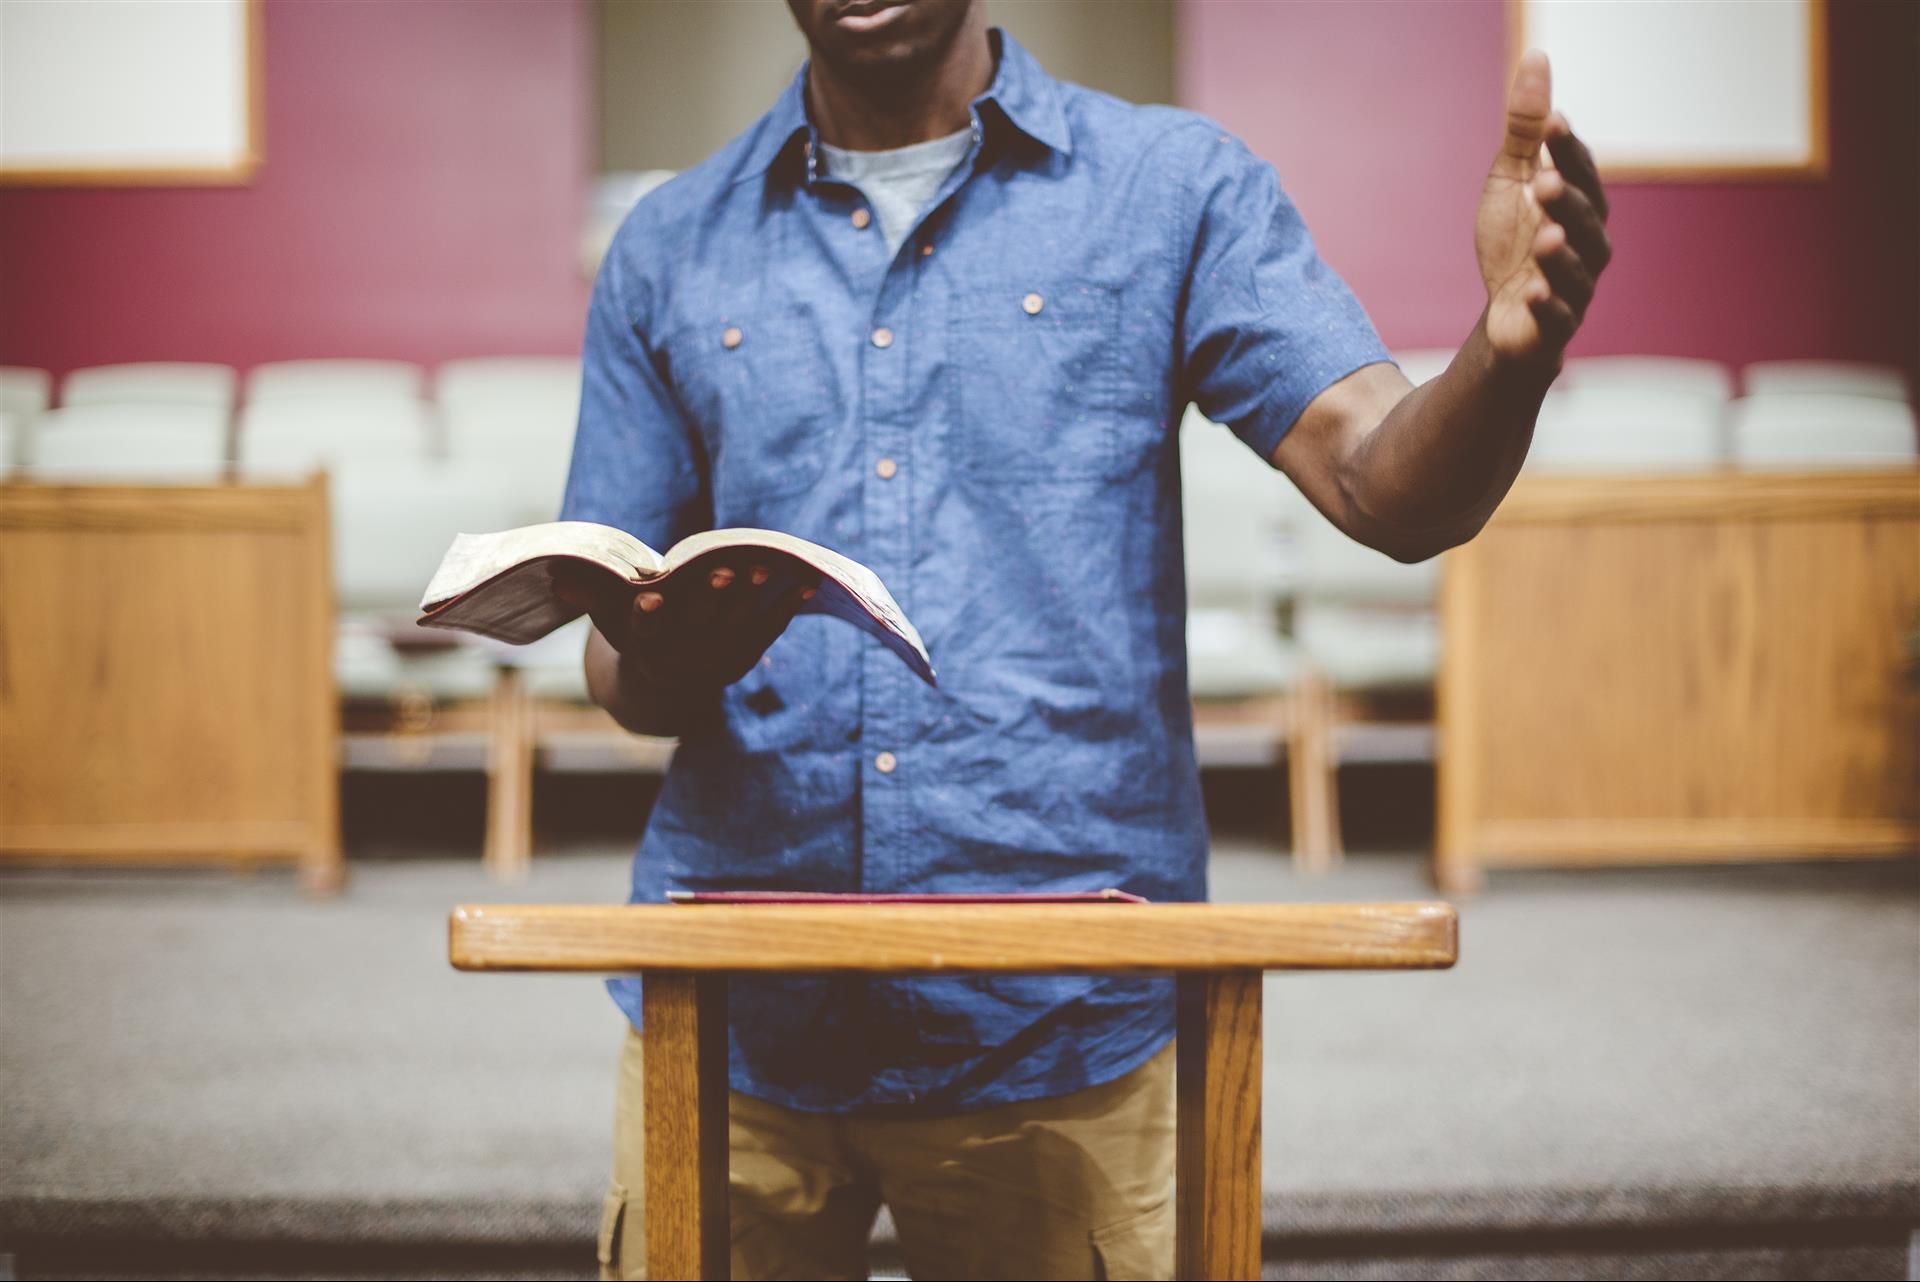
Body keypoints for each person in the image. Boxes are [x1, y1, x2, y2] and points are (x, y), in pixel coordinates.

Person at [560, 2, 1610, 1277]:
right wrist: (677, 646)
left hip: (1063, 1017)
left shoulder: (1170, 191)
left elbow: (1389, 491)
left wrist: (1505, 363)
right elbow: (619, 671)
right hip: (732, 1015)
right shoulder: (672, 243)